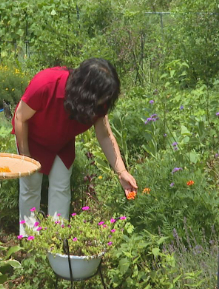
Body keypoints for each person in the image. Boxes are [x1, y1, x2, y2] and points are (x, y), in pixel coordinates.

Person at [13, 58, 137, 235]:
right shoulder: (46, 83)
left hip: (62, 142)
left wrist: (121, 171)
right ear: (86, 93)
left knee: (61, 188)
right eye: (102, 99)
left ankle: (57, 239)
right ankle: (30, 239)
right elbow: (20, 117)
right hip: (32, 138)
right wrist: (25, 157)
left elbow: (105, 135)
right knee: (31, 188)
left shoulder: (101, 101)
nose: (104, 104)